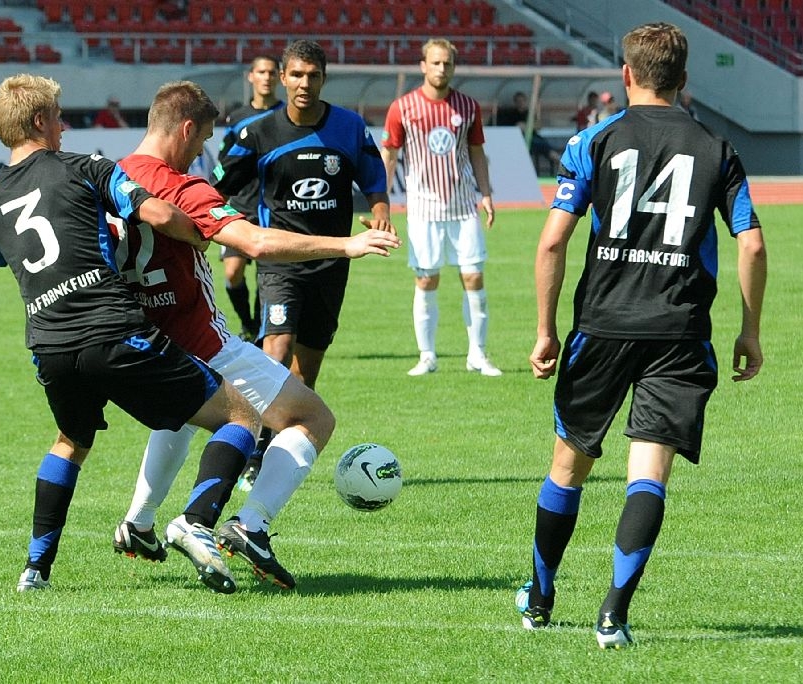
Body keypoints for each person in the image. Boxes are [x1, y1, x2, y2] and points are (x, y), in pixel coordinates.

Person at [515, 22, 767, 648]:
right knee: (647, 474)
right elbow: (752, 244)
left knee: (568, 468)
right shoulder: (717, 147)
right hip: (680, 331)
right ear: (685, 82)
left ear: (625, 75)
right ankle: (613, 616)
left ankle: (541, 597)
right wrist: (750, 331)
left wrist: (546, 330)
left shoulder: (592, 141)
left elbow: (553, 240)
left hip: (602, 325)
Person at [0, 73, 262, 594]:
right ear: (41, 122)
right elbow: (156, 210)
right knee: (240, 414)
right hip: (114, 332)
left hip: (50, 345)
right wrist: (199, 235)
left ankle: (35, 569)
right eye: (59, 117)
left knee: (70, 441)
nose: (63, 126)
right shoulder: (84, 167)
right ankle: (195, 522)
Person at [112, 80, 400, 590]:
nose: (201, 152)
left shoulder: (106, 179)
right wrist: (347, 244)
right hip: (205, 341)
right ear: (183, 129)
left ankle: (137, 522)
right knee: (312, 417)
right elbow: (257, 243)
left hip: (144, 342)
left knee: (180, 415)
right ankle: (250, 525)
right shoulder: (179, 186)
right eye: (200, 140)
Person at [214, 40, 392, 488]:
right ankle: (251, 449)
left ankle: (277, 448)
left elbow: (374, 180)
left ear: (324, 78)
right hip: (281, 260)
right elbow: (220, 185)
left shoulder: (349, 128)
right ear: (282, 76)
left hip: (332, 261)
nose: (303, 84)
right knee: (276, 346)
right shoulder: (257, 132)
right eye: (296, 75)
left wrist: (381, 206)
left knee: (306, 370)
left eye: (313, 76)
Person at [380, 38, 501, 378]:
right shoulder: (402, 108)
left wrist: (486, 192)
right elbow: (389, 154)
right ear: (423, 66)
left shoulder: (468, 106)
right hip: (422, 208)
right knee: (426, 280)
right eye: (435, 63)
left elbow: (477, 151)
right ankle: (427, 356)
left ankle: (477, 354)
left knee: (474, 277)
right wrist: (381, 200)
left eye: (447, 63)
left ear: (453, 66)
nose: (441, 69)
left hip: (463, 206)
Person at [218, 55, 284, 342]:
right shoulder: (237, 118)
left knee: (267, 276)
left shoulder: (289, 114)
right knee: (233, 272)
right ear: (251, 76)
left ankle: (259, 330)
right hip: (241, 204)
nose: (266, 77)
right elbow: (225, 161)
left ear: (279, 77)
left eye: (271, 72)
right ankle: (247, 323)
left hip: (275, 204)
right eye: (261, 71)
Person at [495, 90, 560, 176]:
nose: (520, 103)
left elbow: (538, 126)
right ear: (515, 102)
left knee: (543, 145)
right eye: (518, 101)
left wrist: (527, 126)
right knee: (537, 145)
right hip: (520, 140)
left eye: (522, 101)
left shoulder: (529, 113)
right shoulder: (511, 114)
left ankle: (558, 161)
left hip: (534, 138)